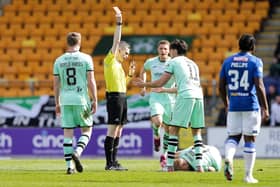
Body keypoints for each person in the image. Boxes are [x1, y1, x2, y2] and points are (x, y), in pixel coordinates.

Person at [134, 39, 205, 172]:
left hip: (185, 96)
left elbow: (161, 81)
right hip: (199, 95)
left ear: (173, 50)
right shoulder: (193, 63)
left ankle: (169, 165)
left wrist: (144, 85)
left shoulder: (173, 61)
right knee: (196, 132)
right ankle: (200, 165)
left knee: (173, 130)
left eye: (169, 50)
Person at [219, 34, 269, 183]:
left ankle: (228, 158)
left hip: (234, 106)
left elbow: (221, 86)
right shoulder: (255, 62)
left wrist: (226, 103)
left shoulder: (228, 61)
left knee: (233, 137)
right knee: (250, 139)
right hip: (250, 106)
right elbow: (259, 86)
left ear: (238, 45)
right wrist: (265, 107)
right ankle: (248, 176)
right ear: (253, 47)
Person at [53, 32, 98, 174]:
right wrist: (95, 99)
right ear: (80, 42)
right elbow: (91, 81)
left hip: (65, 101)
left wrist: (57, 102)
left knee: (67, 133)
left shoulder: (59, 60)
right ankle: (77, 152)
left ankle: (69, 167)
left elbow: (56, 84)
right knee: (87, 130)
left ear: (67, 42)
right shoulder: (86, 58)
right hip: (81, 99)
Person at [103, 6, 135, 171]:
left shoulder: (120, 67)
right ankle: (109, 163)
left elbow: (123, 84)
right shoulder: (110, 60)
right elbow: (116, 40)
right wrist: (119, 21)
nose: (127, 55)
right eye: (126, 52)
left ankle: (114, 161)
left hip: (122, 96)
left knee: (119, 129)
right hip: (114, 97)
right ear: (119, 50)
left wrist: (129, 75)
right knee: (112, 129)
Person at [139, 40, 176, 159]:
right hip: (156, 97)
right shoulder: (151, 62)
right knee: (158, 122)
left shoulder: (174, 63)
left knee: (168, 128)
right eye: (161, 49)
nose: (163, 51)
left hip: (170, 99)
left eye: (165, 49)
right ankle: (156, 135)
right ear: (157, 50)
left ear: (169, 50)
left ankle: (164, 155)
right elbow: (143, 70)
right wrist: (144, 86)